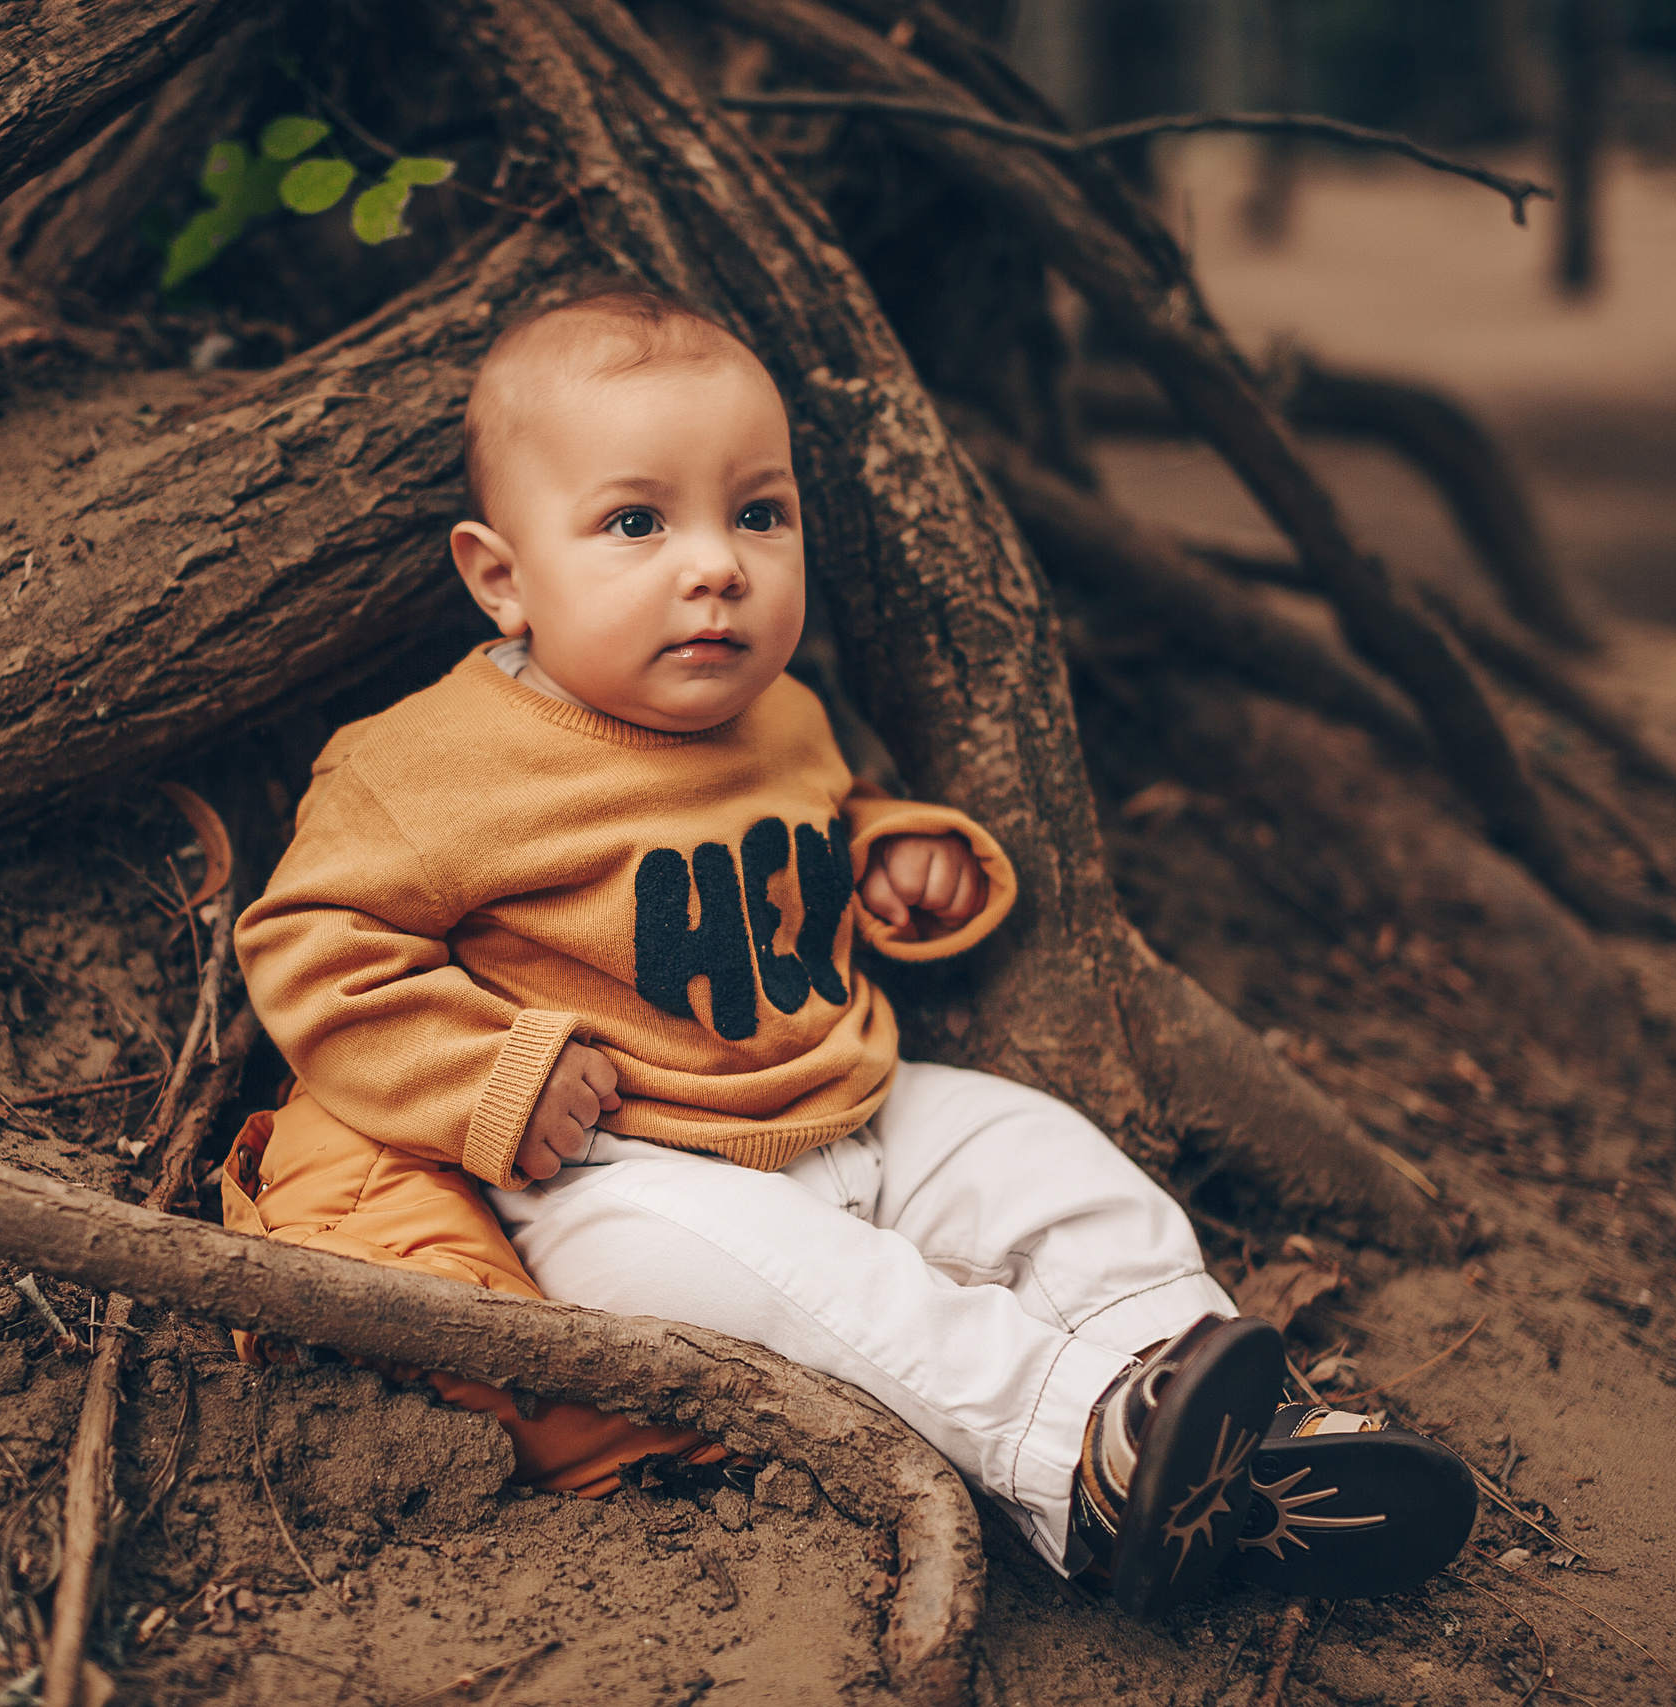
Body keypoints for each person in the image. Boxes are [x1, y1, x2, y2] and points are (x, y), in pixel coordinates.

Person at [223, 289, 1473, 1616]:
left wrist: (892, 857)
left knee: (1050, 1166)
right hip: (622, 1176)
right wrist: (497, 1073)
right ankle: (1084, 1459)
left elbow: (804, 838)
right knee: (830, 1292)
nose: (716, 566)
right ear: (502, 577)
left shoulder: (780, 710)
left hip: (848, 1105)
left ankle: (1206, 1410)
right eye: (637, 523)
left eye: (758, 514)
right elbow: (311, 945)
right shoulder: (426, 767)